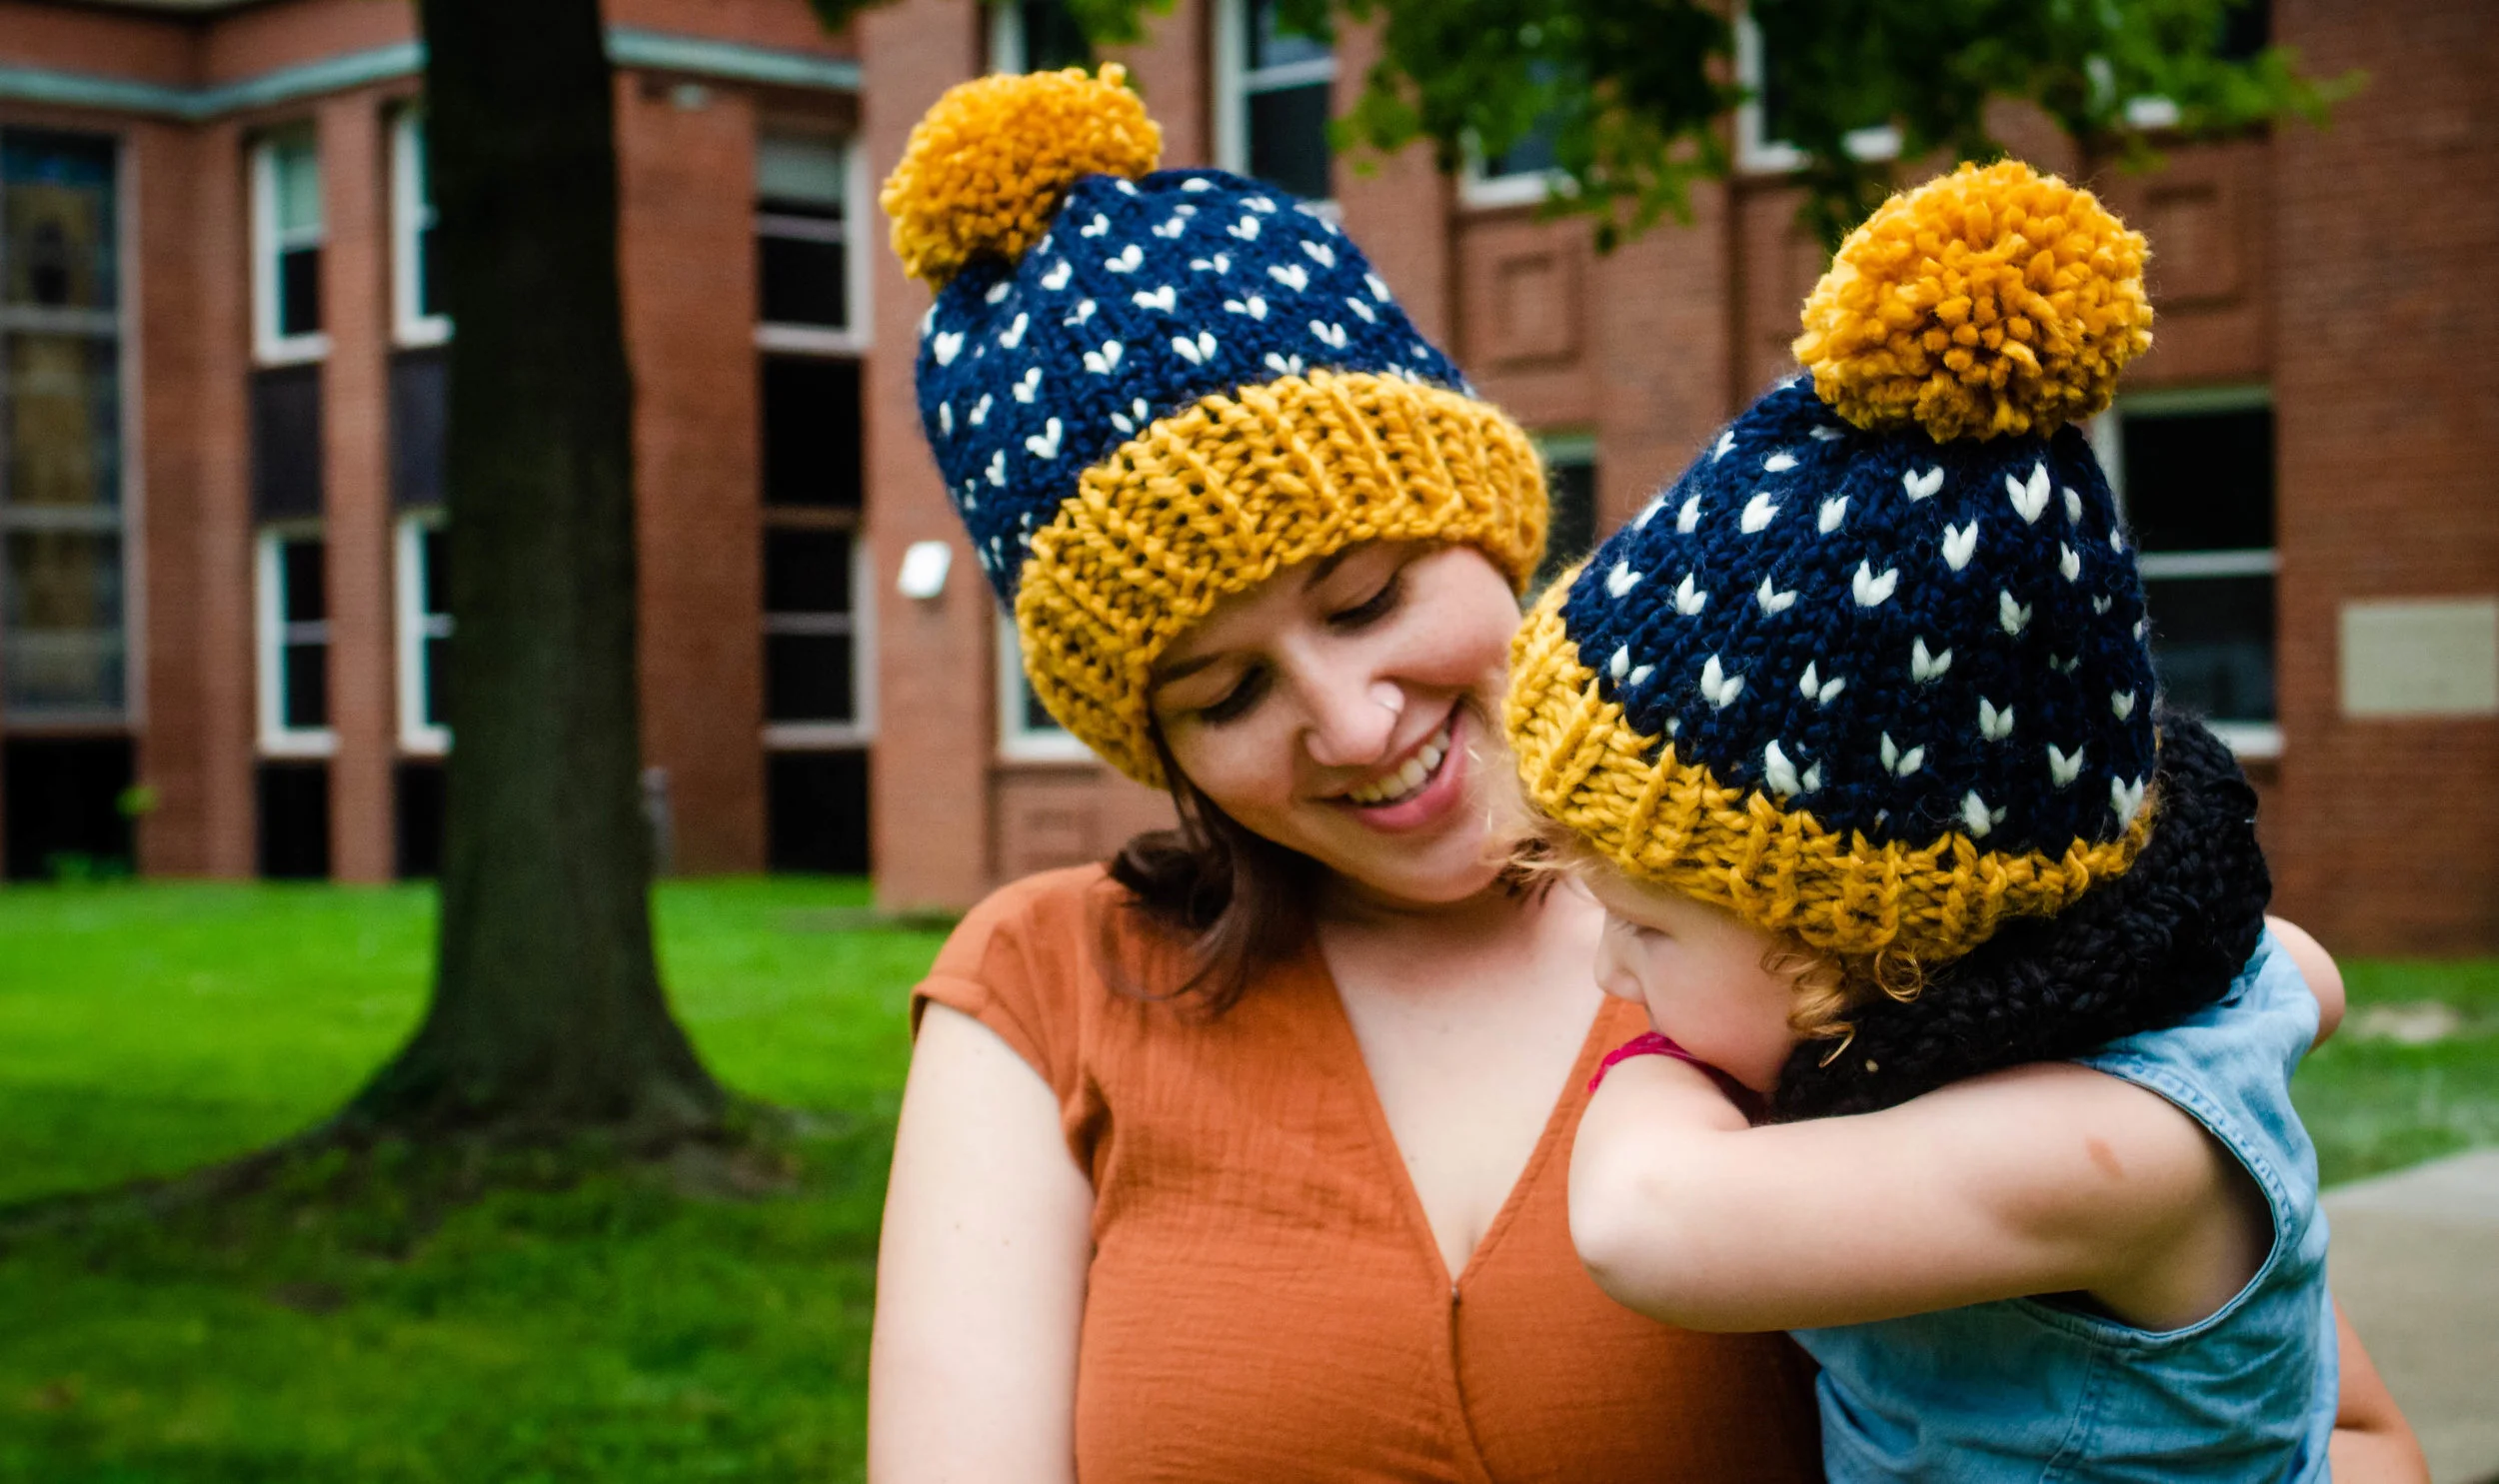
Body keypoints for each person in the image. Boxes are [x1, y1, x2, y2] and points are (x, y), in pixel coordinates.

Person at [867, 66, 1823, 1481]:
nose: (1358, 728)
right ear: (1158, 744)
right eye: (1227, 691)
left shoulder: (1810, 885)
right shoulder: (1045, 994)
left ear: (1491, 535)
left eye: (1369, 601)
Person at [1503, 160, 2427, 1481]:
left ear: (1869, 944)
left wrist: (1650, 1065)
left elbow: (1644, 1226)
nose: (1608, 968)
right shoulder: (2109, 1017)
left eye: (1644, 925)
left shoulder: (2112, 1159)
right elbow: (2309, 982)